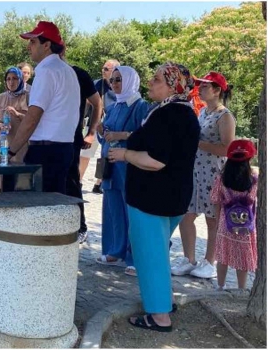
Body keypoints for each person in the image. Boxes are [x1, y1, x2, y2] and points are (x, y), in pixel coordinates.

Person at [108, 62, 200, 332]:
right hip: (174, 196)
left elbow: (156, 161)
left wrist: (124, 154)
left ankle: (159, 316)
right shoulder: (185, 112)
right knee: (158, 251)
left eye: (157, 78)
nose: (151, 81)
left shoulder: (167, 114)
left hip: (153, 198)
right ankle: (165, 301)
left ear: (173, 85)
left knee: (149, 255)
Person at [172, 72, 236, 279]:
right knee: (186, 214)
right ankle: (189, 259)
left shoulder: (224, 116)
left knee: (213, 219)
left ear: (217, 90)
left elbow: (227, 148)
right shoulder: (202, 113)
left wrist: (197, 143)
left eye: (206, 86)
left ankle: (210, 261)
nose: (200, 89)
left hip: (214, 173)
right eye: (200, 85)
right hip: (195, 171)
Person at [8, 21, 80, 195]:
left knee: (37, 211)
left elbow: (33, 116)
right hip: (64, 148)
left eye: (33, 42)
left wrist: (11, 151)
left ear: (47, 45)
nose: (28, 47)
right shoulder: (68, 70)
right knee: (54, 209)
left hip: (45, 151)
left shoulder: (46, 70)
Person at [95, 66, 149, 275]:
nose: (115, 84)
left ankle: (135, 256)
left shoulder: (140, 106)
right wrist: (101, 131)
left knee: (132, 210)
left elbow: (144, 135)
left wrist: (121, 135)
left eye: (119, 80)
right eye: (113, 80)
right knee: (113, 208)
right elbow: (106, 136)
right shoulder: (115, 105)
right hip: (110, 164)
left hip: (129, 164)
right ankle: (115, 250)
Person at [58, 48, 102, 242]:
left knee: (72, 181)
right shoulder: (42, 73)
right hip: (46, 140)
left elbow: (96, 102)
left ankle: (80, 226)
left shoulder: (78, 73)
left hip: (71, 138)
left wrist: (91, 132)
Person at [211, 139, 258, 291]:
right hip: (247, 225)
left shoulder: (222, 178)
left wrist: (218, 222)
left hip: (226, 223)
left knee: (222, 255)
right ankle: (241, 288)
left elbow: (216, 201)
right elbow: (255, 200)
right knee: (243, 259)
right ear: (249, 158)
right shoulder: (254, 179)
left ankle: (220, 285)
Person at [0, 67, 29, 191]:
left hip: (22, 147)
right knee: (4, 185)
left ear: (21, 79)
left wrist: (17, 114)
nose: (11, 82)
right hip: (3, 146)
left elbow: (33, 120)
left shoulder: (28, 96)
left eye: (15, 79)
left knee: (21, 185)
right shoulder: (0, 98)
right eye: (8, 79)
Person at [83, 59, 120, 194]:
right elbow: (87, 100)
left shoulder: (120, 85)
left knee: (106, 155)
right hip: (95, 123)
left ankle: (99, 182)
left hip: (112, 126)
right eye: (103, 68)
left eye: (106, 69)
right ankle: (79, 181)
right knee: (85, 154)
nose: (102, 71)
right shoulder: (96, 84)